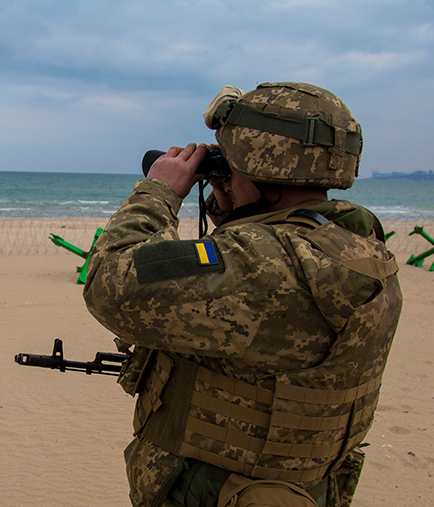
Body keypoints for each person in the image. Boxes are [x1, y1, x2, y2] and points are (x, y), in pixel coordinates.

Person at [83, 82, 402, 507]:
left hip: (217, 492)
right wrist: (232, 196)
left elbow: (110, 284)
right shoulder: (358, 245)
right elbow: (263, 255)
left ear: (259, 163)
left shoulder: (263, 266)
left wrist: (157, 191)